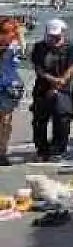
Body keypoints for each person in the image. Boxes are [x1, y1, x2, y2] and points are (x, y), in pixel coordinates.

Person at [29, 19, 73, 162]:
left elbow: (72, 67)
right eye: (51, 35)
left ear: (63, 32)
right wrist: (53, 81)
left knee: (63, 119)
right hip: (43, 88)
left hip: (63, 89)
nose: (53, 38)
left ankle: (58, 149)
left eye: (56, 35)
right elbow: (38, 68)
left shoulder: (71, 48)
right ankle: (42, 150)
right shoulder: (39, 47)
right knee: (39, 121)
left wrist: (60, 83)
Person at [0, 18, 25, 166]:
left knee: (5, 120)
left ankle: (2, 151)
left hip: (9, 86)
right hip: (7, 85)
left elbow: (23, 48)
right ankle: (2, 151)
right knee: (4, 120)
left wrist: (19, 32)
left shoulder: (13, 46)